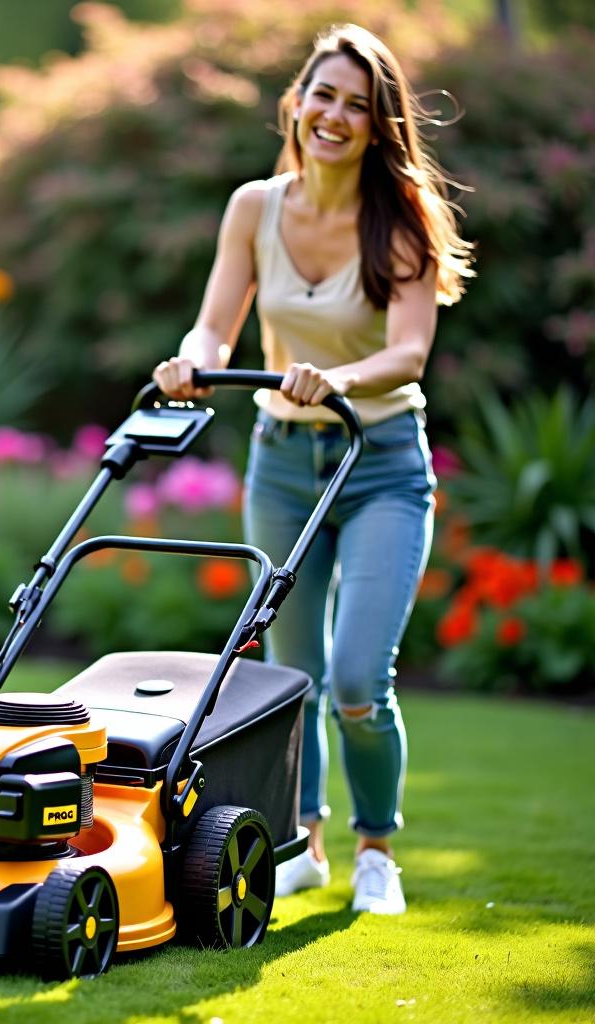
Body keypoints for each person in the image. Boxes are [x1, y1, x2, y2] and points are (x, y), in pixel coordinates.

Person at [153, 24, 473, 915]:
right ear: (297, 102)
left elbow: (408, 352)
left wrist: (334, 377)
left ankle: (377, 850)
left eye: (358, 105)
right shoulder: (254, 207)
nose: (335, 116)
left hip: (380, 467)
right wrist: (190, 360)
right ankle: (305, 845)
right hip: (283, 461)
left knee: (361, 680)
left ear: (379, 125)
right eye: (323, 95)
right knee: (292, 678)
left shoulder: (400, 215)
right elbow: (215, 325)